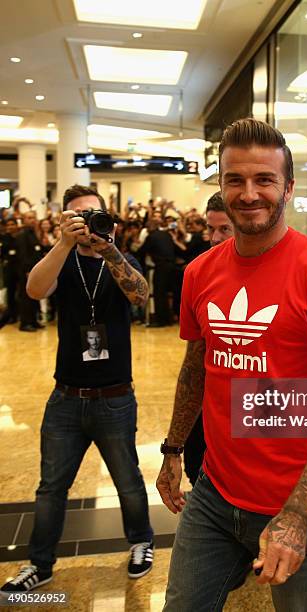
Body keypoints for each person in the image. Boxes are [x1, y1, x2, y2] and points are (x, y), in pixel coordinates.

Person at [156, 118, 307, 611]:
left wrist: (297, 515)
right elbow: (197, 367)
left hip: (297, 503)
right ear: (222, 185)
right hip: (214, 493)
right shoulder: (200, 272)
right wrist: (172, 448)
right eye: (235, 180)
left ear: (287, 188)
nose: (249, 193)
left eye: (264, 180)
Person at [0, 185, 154, 596]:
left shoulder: (120, 258)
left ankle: (141, 542)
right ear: (67, 220)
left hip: (116, 396)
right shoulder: (61, 260)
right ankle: (40, 565)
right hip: (66, 398)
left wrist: (109, 249)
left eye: (93, 215)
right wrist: (63, 243)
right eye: (78, 217)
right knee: (51, 487)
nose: (87, 223)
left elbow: (140, 295)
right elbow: (34, 290)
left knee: (127, 479)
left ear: (108, 218)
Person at [183, 192, 233, 486]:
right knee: (198, 475)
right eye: (210, 229)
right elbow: (192, 361)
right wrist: (174, 446)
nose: (214, 238)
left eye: (223, 229)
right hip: (208, 404)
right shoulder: (200, 272)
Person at [16, 211, 43, 331]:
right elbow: (23, 254)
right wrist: (27, 270)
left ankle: (33, 320)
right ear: (24, 220)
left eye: (34, 217)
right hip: (26, 272)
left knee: (33, 297)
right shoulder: (22, 235)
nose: (32, 220)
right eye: (29, 218)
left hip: (34, 271)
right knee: (25, 297)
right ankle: (25, 323)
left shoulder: (33, 234)